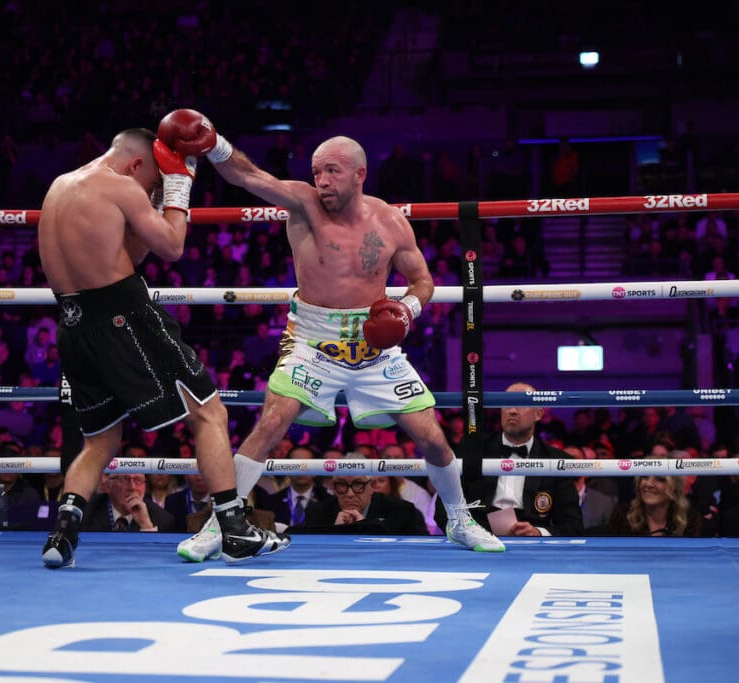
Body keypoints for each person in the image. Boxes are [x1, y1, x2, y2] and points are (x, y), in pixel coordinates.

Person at [162, 109, 504, 559]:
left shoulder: (390, 222)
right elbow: (246, 175)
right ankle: (220, 523)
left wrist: (406, 310)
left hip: (373, 346)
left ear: (360, 174)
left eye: (332, 171)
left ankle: (459, 519)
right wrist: (214, 144)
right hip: (312, 339)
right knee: (271, 423)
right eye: (317, 171)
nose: (321, 180)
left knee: (432, 436)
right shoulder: (302, 204)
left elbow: (423, 281)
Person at [37, 127, 287, 567]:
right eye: (152, 180)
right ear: (137, 164)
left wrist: (153, 200)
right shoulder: (120, 185)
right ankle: (233, 529)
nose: (151, 188)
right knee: (210, 412)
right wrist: (177, 188)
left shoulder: (61, 185)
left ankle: (62, 534)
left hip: (73, 324)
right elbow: (172, 247)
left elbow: (125, 254)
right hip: (124, 317)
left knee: (98, 442)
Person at [436, 382, 584, 537]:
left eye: (521, 404)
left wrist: (539, 533)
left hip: (533, 546)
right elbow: (443, 508)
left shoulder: (556, 460)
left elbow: (573, 525)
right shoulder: (472, 449)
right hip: (477, 538)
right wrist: (471, 533)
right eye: (506, 404)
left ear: (539, 414)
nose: (512, 411)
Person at [295, 456, 428, 536]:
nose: (350, 494)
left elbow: (414, 554)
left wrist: (367, 529)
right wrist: (335, 532)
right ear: (333, 487)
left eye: (358, 484)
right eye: (341, 485)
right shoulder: (317, 513)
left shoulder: (401, 511)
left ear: (371, 487)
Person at [590, 475, 702, 537]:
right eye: (644, 477)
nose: (648, 484)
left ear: (673, 488)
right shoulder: (623, 514)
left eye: (659, 479)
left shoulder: (689, 518)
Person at [81, 473, 174, 533]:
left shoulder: (162, 519)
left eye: (138, 480)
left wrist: (146, 526)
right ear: (109, 484)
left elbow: (156, 557)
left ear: (145, 486)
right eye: (125, 479)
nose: (132, 487)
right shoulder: (86, 512)